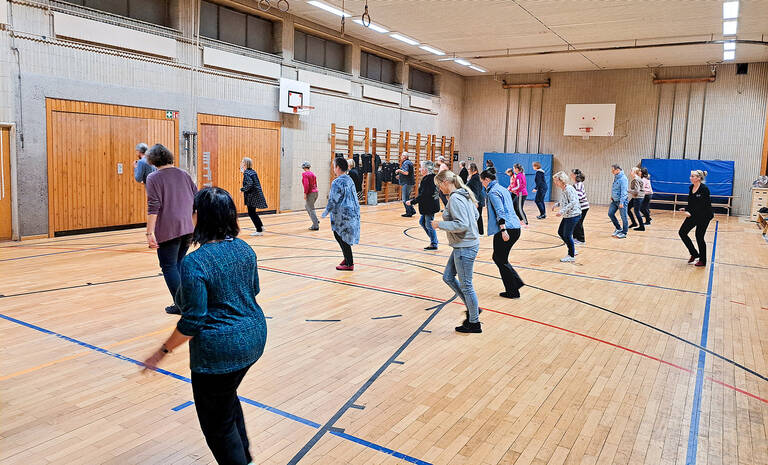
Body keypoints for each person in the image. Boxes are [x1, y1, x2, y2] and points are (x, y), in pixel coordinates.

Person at [142, 187, 267, 465]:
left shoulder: (195, 262)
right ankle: (245, 458)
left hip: (218, 353)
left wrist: (160, 352)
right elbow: (253, 290)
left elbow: (193, 321)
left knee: (218, 428)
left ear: (198, 216)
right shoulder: (245, 249)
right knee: (226, 399)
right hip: (255, 339)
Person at [145, 144, 198, 315]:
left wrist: (149, 232)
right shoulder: (184, 174)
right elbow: (197, 200)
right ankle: (186, 302)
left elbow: (154, 206)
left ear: (152, 160)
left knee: (168, 266)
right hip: (187, 227)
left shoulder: (153, 177)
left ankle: (182, 305)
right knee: (179, 263)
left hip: (168, 229)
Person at [432, 170, 481, 334]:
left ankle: (474, 322)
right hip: (463, 245)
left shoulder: (455, 198)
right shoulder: (464, 195)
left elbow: (462, 224)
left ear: (445, 182)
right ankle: (473, 308)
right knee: (447, 277)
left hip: (465, 247)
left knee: (467, 286)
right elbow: (475, 214)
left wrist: (440, 225)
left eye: (439, 185)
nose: (440, 189)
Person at [480, 169, 524, 298]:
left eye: (482, 181)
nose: (482, 184)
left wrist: (503, 230)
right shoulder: (503, 189)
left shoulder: (493, 192)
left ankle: (513, 289)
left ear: (487, 180)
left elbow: (500, 211)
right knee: (500, 258)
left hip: (507, 229)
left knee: (500, 259)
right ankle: (514, 286)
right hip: (515, 227)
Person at [323, 157, 360, 271]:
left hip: (342, 214)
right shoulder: (349, 179)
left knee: (341, 236)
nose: (334, 169)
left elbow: (333, 199)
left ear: (338, 167)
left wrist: (326, 212)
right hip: (352, 213)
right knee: (341, 236)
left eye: (334, 167)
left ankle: (349, 263)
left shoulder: (337, 182)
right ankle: (347, 259)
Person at [678, 170, 714, 267]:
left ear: (699, 178)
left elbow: (703, 205)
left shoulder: (704, 189)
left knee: (699, 237)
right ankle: (694, 253)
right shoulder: (691, 187)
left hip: (705, 215)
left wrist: (690, 212)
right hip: (694, 214)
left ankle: (703, 260)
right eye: (690, 176)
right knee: (682, 232)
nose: (690, 177)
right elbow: (692, 203)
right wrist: (686, 209)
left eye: (693, 176)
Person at [406, 161, 440, 250]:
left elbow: (424, 195)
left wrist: (412, 202)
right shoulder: (432, 178)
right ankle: (434, 240)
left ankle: (434, 243)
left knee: (429, 224)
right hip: (430, 205)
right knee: (422, 222)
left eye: (421, 168)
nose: (420, 169)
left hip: (429, 206)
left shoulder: (428, 180)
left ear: (425, 169)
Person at [552, 171, 582, 262]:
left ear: (562, 180)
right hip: (568, 215)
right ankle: (572, 249)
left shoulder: (568, 188)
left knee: (567, 235)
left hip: (573, 215)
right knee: (561, 232)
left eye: (556, 181)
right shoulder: (564, 189)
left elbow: (573, 202)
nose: (555, 182)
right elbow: (565, 201)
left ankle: (571, 255)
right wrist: (557, 204)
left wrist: (561, 211)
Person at [240, 158, 267, 236]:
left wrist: (242, 189)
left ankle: (259, 230)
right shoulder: (252, 171)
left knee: (251, 212)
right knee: (253, 212)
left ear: (245, 164)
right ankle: (260, 227)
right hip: (256, 194)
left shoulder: (247, 173)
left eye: (242, 162)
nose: (241, 163)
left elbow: (249, 184)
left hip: (252, 195)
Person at [608, 164, 629, 239]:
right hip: (614, 200)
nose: (612, 171)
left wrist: (622, 202)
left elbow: (624, 191)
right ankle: (618, 228)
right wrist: (612, 196)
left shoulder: (623, 179)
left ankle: (624, 232)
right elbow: (615, 188)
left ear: (618, 170)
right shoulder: (616, 177)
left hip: (621, 201)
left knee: (624, 217)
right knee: (610, 213)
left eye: (613, 170)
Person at [570, 169, 590, 244]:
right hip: (578, 207)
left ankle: (581, 240)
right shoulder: (576, 184)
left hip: (583, 207)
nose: (570, 175)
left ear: (575, 175)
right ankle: (575, 237)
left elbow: (579, 196)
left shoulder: (579, 184)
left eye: (572, 173)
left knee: (578, 222)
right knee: (575, 222)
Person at [466, 162, 485, 235]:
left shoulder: (476, 177)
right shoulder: (473, 176)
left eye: (468, 169)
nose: (468, 170)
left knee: (478, 216)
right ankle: (478, 232)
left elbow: (476, 190)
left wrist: (475, 201)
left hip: (478, 201)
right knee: (475, 216)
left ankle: (480, 233)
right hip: (475, 200)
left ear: (472, 169)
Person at [395, 153, 416, 217]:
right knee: (407, 197)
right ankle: (412, 210)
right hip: (409, 182)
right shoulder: (408, 162)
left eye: (402, 156)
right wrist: (400, 176)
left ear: (405, 157)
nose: (400, 157)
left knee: (405, 199)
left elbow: (406, 173)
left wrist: (399, 170)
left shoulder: (406, 163)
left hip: (407, 183)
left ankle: (409, 212)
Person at [301, 161, 320, 231]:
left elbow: (306, 185)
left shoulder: (305, 174)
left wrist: (305, 193)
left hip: (311, 193)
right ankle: (316, 220)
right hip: (316, 192)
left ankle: (315, 225)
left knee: (310, 208)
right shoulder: (313, 174)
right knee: (307, 206)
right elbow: (315, 183)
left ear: (303, 167)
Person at [628, 167, 646, 231]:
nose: (630, 172)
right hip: (636, 197)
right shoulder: (636, 179)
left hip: (638, 197)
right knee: (628, 208)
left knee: (636, 211)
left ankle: (642, 226)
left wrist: (627, 190)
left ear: (634, 172)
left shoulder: (636, 179)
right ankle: (634, 223)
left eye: (631, 171)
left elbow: (636, 191)